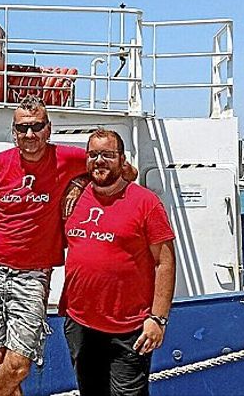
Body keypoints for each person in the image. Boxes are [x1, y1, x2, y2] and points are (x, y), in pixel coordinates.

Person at [0, 95, 89, 396]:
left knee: (18, 365)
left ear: (48, 128)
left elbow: (118, 168)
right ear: (13, 131)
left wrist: (86, 182)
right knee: (1, 361)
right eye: (22, 129)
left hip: (32, 275)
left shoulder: (68, 159)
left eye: (36, 127)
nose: (30, 135)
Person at [59, 128, 176, 396]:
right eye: (93, 155)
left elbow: (165, 262)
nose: (99, 161)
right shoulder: (74, 197)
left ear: (122, 159)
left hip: (128, 328)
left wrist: (158, 318)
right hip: (81, 324)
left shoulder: (145, 202)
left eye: (108, 155)